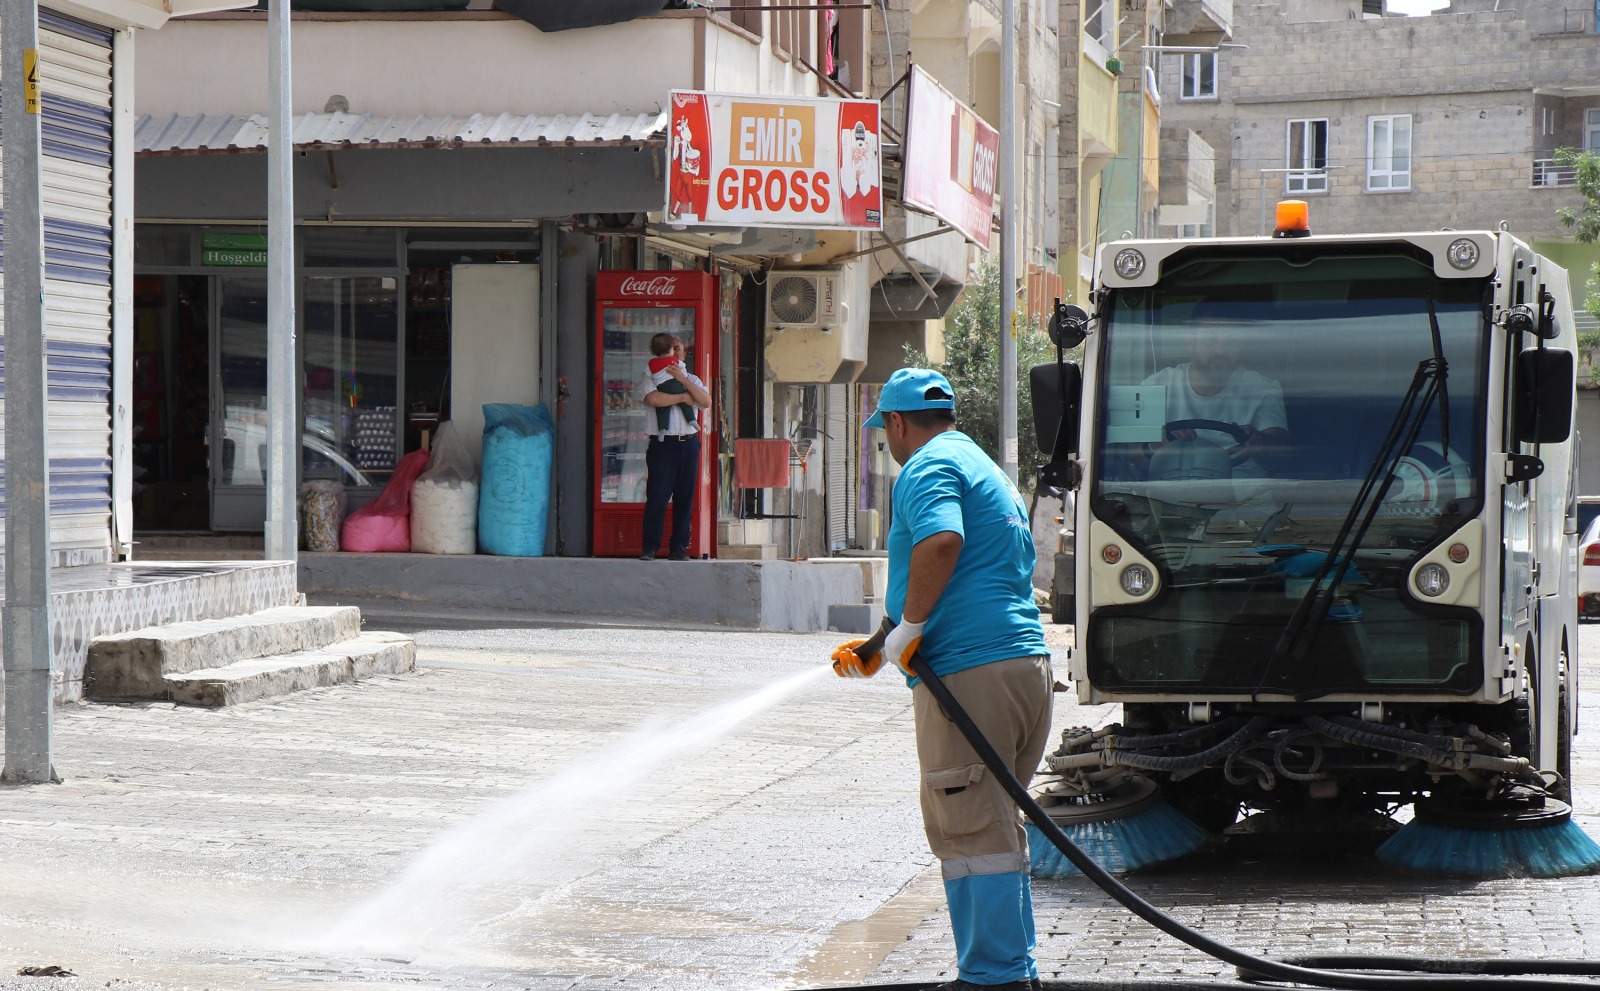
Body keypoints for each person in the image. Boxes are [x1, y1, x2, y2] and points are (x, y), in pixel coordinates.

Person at [830, 367, 1052, 991]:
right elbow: (976, 565)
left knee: (971, 827)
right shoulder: (985, 467)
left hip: (969, 673)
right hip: (1020, 667)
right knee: (993, 821)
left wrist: (912, 626)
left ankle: (994, 979)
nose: (887, 442)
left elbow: (942, 543)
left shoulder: (925, 467)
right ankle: (1012, 969)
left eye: (885, 431)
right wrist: (884, 641)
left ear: (896, 423)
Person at [1140, 320, 1289, 479]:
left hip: (1247, 496)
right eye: (1211, 340)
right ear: (1191, 342)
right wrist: (1160, 444)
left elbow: (1282, 453)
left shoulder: (1263, 388)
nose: (1220, 350)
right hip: (1171, 488)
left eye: (1231, 341)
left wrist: (1258, 441)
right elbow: (1134, 453)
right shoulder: (1155, 385)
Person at [635, 333, 711, 561]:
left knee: (685, 497)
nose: (676, 352)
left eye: (679, 348)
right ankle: (650, 547)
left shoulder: (693, 379)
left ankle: (679, 548)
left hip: (688, 444)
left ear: (683, 353)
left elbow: (706, 401)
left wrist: (685, 383)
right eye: (672, 348)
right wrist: (683, 398)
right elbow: (653, 399)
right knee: (657, 497)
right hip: (663, 445)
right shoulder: (652, 373)